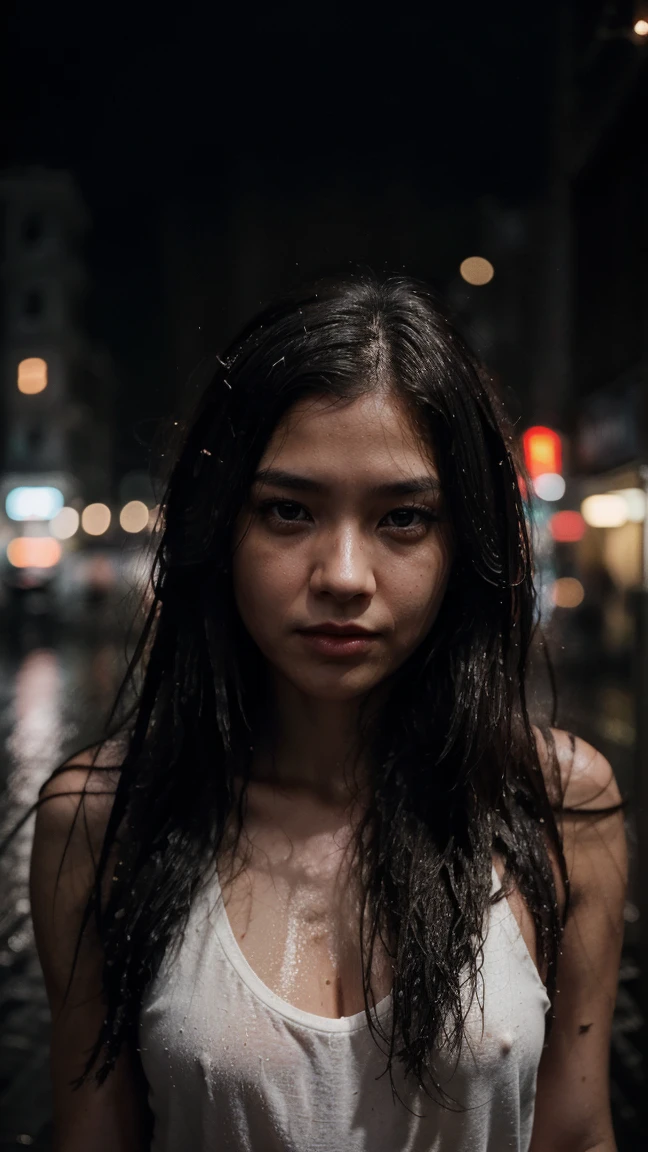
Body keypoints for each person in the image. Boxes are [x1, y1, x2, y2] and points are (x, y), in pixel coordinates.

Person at [29, 272, 627, 1152]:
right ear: (220, 526)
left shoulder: (562, 806)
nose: (343, 575)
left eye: (403, 519)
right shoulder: (100, 821)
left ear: (462, 545)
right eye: (288, 511)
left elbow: (576, 1132)